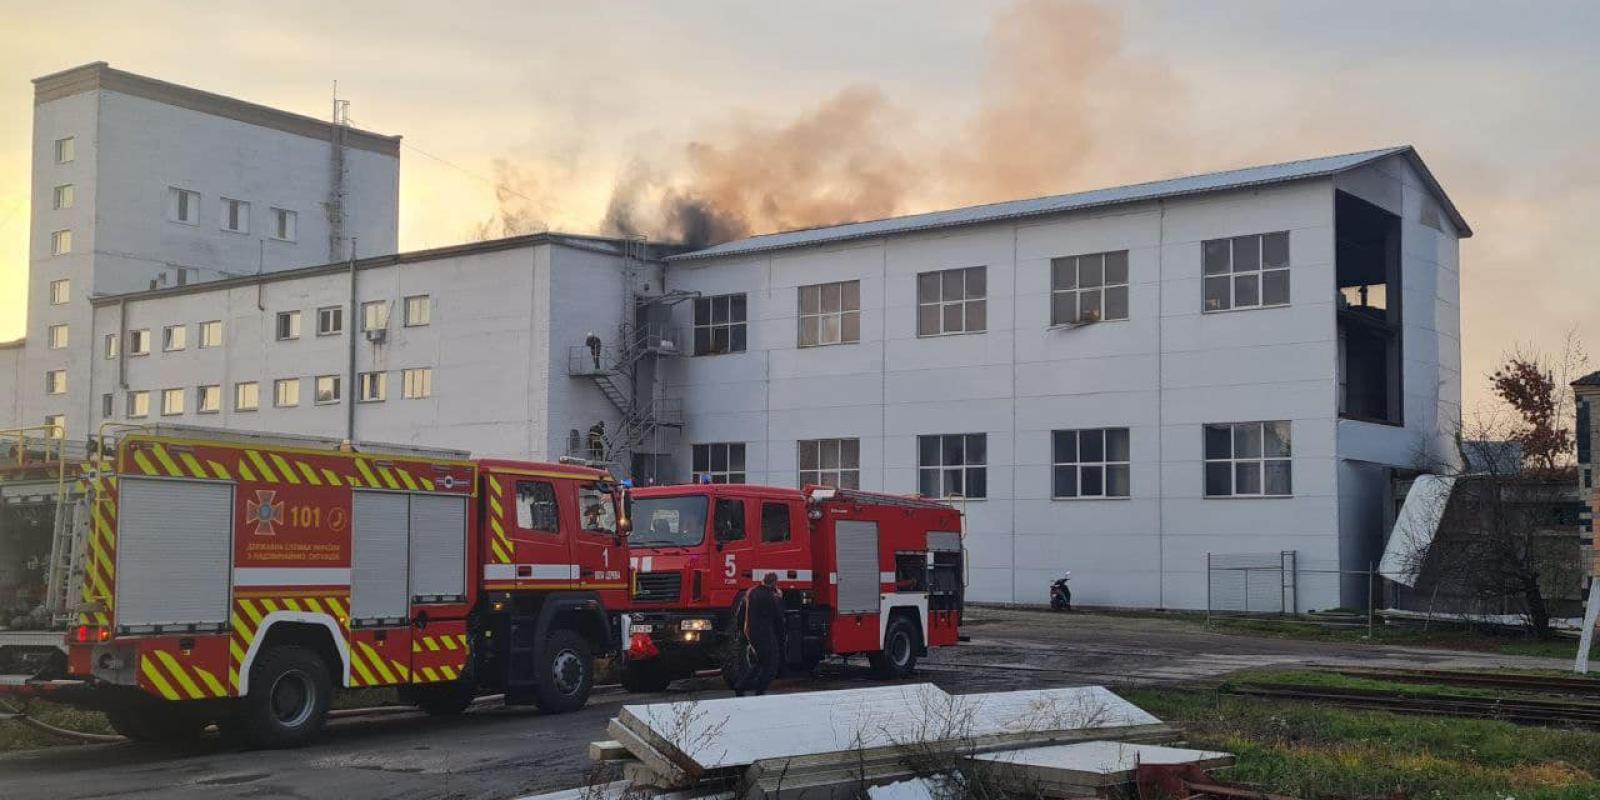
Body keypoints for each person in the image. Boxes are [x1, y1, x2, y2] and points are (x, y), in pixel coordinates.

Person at [736, 572, 783, 697]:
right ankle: (759, 690)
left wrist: (742, 631)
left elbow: (741, 614)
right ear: (774, 583)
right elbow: (778, 615)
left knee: (760, 661)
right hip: (765, 633)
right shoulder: (771, 596)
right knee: (770, 663)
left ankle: (742, 686)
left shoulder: (751, 592)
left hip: (751, 632)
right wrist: (779, 599)